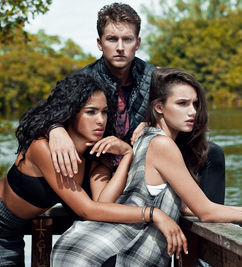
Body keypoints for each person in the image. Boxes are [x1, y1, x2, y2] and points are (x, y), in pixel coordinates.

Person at [50, 68, 242, 267]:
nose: (192, 111)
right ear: (159, 107)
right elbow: (206, 211)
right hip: (97, 253)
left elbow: (185, 206)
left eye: (194, 103)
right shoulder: (162, 145)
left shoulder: (144, 137)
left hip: (82, 246)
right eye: (182, 104)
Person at [0, 74, 187, 266]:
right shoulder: (42, 147)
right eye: (91, 111)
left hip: (14, 229)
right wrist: (153, 214)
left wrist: (127, 155)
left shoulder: (94, 152)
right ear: (71, 113)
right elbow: (87, 210)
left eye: (104, 112)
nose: (100, 120)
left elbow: (103, 203)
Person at [48, 2, 225, 206]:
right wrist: (55, 129)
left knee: (212, 153)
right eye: (112, 39)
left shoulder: (155, 76)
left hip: (142, 160)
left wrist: (151, 124)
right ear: (100, 43)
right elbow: (44, 113)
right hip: (98, 166)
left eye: (127, 39)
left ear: (137, 42)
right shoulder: (82, 80)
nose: (120, 47)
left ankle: (215, 226)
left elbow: (188, 105)